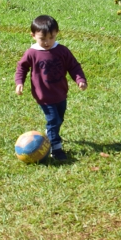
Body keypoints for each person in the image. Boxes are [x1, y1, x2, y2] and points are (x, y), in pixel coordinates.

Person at [15, 15, 87, 162]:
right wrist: (19, 82)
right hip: (44, 95)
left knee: (59, 119)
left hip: (60, 93)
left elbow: (73, 66)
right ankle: (56, 148)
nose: (47, 42)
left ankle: (50, 134)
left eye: (51, 37)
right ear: (33, 36)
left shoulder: (62, 51)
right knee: (53, 120)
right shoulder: (32, 53)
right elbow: (22, 67)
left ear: (57, 33)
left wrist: (80, 79)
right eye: (42, 39)